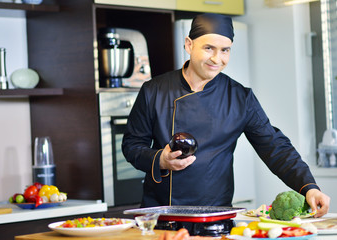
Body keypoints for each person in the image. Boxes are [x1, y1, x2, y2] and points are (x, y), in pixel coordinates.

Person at [122, 13, 330, 218]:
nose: (217, 58)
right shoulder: (154, 91)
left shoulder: (240, 98)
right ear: (189, 45)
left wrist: (309, 187)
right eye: (208, 48)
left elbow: (275, 147)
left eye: (225, 50)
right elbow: (132, 145)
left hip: (216, 216)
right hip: (161, 215)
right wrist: (161, 159)